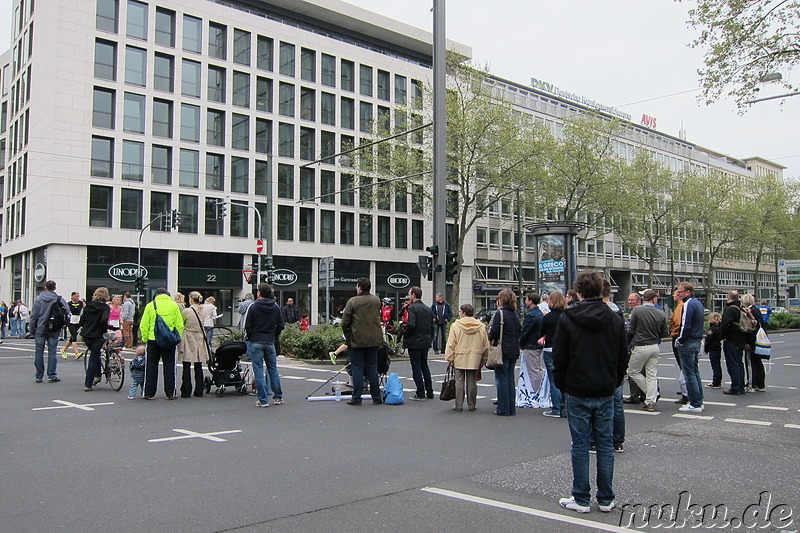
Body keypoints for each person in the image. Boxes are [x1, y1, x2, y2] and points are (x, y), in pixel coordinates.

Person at [553, 270, 628, 514]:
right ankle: (606, 498)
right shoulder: (615, 318)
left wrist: (562, 384)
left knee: (580, 444)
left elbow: (560, 356)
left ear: (579, 292)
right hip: (605, 388)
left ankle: (581, 498)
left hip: (577, 387)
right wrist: (615, 381)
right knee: (605, 444)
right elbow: (622, 356)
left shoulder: (568, 317)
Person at [340, 277, 384, 406]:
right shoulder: (376, 300)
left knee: (357, 368)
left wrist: (348, 337)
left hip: (357, 340)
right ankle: (376, 397)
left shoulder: (353, 301)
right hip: (374, 339)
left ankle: (357, 397)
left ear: (359, 287)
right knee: (372, 367)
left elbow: (345, 322)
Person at [627, 289, 668, 412]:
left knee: (632, 371)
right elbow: (665, 333)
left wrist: (627, 344)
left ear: (643, 298)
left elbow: (631, 330)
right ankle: (650, 400)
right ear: (654, 299)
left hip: (640, 345)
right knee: (651, 374)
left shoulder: (637, 310)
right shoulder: (661, 313)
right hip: (654, 345)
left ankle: (652, 394)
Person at [139, 288, 185, 400]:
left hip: (153, 339)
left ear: (156, 295)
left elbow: (144, 324)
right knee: (170, 366)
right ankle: (170, 393)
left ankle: (149, 393)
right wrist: (176, 338)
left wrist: (145, 338)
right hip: (169, 340)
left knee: (151, 366)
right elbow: (179, 324)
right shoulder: (174, 306)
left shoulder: (150, 305)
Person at [245, 283, 285, 407]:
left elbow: (247, 325)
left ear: (259, 293)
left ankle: (263, 400)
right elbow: (281, 325)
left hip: (256, 341)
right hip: (269, 341)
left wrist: (251, 337)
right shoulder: (275, 307)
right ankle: (278, 397)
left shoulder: (253, 306)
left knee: (258, 370)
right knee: (273, 369)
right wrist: (273, 336)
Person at [445, 303, 489, 411]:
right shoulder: (480, 326)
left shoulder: (455, 326)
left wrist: (449, 358)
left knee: (459, 381)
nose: (459, 314)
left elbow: (451, 343)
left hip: (459, 356)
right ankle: (472, 404)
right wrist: (484, 359)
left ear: (464, 313)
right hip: (474, 356)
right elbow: (485, 345)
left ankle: (458, 405)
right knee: (472, 381)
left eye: (460, 312)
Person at [488, 289, 521, 416]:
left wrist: (490, 336)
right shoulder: (514, 314)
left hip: (502, 350)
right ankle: (511, 408)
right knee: (510, 379)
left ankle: (503, 408)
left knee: (502, 379)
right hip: (513, 349)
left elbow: (494, 332)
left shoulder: (500, 313)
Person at [30, 280, 70, 384]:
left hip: (40, 327)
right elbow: (67, 310)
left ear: (45, 287)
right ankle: (52, 375)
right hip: (54, 328)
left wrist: (31, 330)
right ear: (54, 288)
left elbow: (33, 316)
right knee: (52, 351)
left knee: (39, 351)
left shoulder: (38, 299)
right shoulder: (59, 299)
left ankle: (39, 375)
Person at [674, 282, 705, 412]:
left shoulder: (688, 304)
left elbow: (685, 325)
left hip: (688, 342)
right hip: (697, 340)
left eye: (680, 292)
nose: (678, 294)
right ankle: (698, 399)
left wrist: (680, 340)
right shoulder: (698, 303)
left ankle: (695, 403)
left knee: (689, 373)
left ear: (688, 292)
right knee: (694, 371)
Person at [404, 286, 435, 401]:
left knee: (416, 367)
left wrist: (406, 334)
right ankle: (430, 392)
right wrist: (430, 339)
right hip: (425, 340)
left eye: (409, 294)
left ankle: (420, 392)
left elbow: (411, 325)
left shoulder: (412, 308)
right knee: (424, 366)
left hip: (414, 341)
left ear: (413, 295)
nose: (409, 296)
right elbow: (432, 327)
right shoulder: (428, 309)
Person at [541, 290, 567, 418]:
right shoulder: (567, 315)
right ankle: (566, 407)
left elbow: (541, 332)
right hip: (564, 349)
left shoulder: (547, 317)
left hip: (549, 348)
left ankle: (556, 408)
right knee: (566, 378)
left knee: (553, 379)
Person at [178, 291, 209, 398]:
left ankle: (186, 390)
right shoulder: (203, 311)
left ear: (191, 299)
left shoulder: (187, 311)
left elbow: (181, 323)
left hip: (188, 337)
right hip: (200, 337)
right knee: (198, 364)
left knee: (186, 364)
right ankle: (199, 390)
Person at [80, 287, 111, 391]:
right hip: (97, 335)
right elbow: (104, 320)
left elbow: (81, 321)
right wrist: (104, 331)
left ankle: (97, 375)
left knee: (95, 353)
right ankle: (88, 383)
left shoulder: (88, 306)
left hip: (87, 335)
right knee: (93, 357)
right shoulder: (105, 308)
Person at [517, 292, 545, 405]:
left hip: (531, 345)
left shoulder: (531, 315)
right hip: (537, 344)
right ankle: (536, 391)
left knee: (533, 371)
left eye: (527, 300)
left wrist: (521, 343)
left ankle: (535, 393)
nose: (525, 302)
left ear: (531, 301)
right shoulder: (539, 313)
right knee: (536, 369)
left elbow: (526, 331)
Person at [742, 293, 766, 392]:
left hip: (752, 341)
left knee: (750, 362)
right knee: (758, 362)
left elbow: (750, 329)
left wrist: (748, 342)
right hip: (759, 340)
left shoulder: (750, 312)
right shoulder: (757, 310)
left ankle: (751, 384)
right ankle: (760, 384)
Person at [669, 288, 689, 405]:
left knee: (683, 365)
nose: (673, 295)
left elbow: (677, 323)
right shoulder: (681, 306)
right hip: (678, 335)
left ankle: (685, 392)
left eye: (676, 293)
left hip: (677, 336)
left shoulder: (680, 307)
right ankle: (685, 390)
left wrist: (674, 332)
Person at [62, 292, 85, 359]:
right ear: (72, 297)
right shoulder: (68, 304)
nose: (77, 298)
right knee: (74, 337)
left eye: (78, 296)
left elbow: (86, 310)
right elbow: (65, 312)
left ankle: (64, 349)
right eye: (76, 296)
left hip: (78, 322)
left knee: (72, 337)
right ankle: (76, 353)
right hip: (71, 322)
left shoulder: (81, 303)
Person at [704, 312, 723, 389]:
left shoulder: (712, 329)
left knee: (714, 365)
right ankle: (718, 380)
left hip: (712, 348)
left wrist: (706, 349)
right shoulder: (720, 328)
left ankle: (716, 382)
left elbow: (708, 339)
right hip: (718, 347)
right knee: (718, 365)